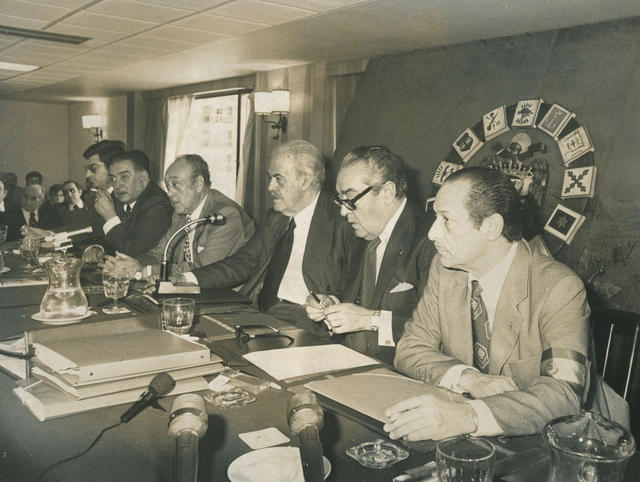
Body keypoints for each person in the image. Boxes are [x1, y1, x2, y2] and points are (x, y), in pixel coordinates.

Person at [384, 166, 590, 441]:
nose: (432, 233)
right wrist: (470, 378)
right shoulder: (445, 271)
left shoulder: (559, 287)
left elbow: (564, 395)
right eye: (435, 218)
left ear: (491, 226)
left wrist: (469, 416)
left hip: (562, 442)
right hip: (478, 442)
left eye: (446, 219)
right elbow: (410, 348)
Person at [185, 140, 363, 327]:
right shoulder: (277, 216)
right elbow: (245, 261)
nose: (270, 187)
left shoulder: (343, 221)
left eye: (279, 179)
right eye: (270, 178)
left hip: (314, 325)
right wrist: (188, 278)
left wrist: (331, 301)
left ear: (304, 181)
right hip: (267, 314)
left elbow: (357, 288)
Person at [305, 146, 435, 362]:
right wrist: (330, 304)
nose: (343, 211)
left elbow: (435, 330)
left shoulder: (430, 240)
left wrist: (370, 320)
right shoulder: (362, 232)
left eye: (350, 199)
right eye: (340, 200)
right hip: (346, 357)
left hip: (395, 367)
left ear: (387, 192)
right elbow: (354, 298)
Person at [104, 154, 255, 279]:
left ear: (198, 184)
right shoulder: (180, 214)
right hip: (188, 289)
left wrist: (144, 271)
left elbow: (202, 270)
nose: (169, 193)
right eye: (168, 186)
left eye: (176, 185)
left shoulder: (225, 216)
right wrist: (130, 264)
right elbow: (159, 254)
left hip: (226, 297)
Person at [92, 149, 172, 256]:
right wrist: (99, 249)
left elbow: (132, 251)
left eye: (124, 177)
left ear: (143, 178)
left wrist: (109, 216)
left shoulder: (158, 204)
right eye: (113, 179)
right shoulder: (118, 198)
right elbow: (107, 237)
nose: (117, 185)